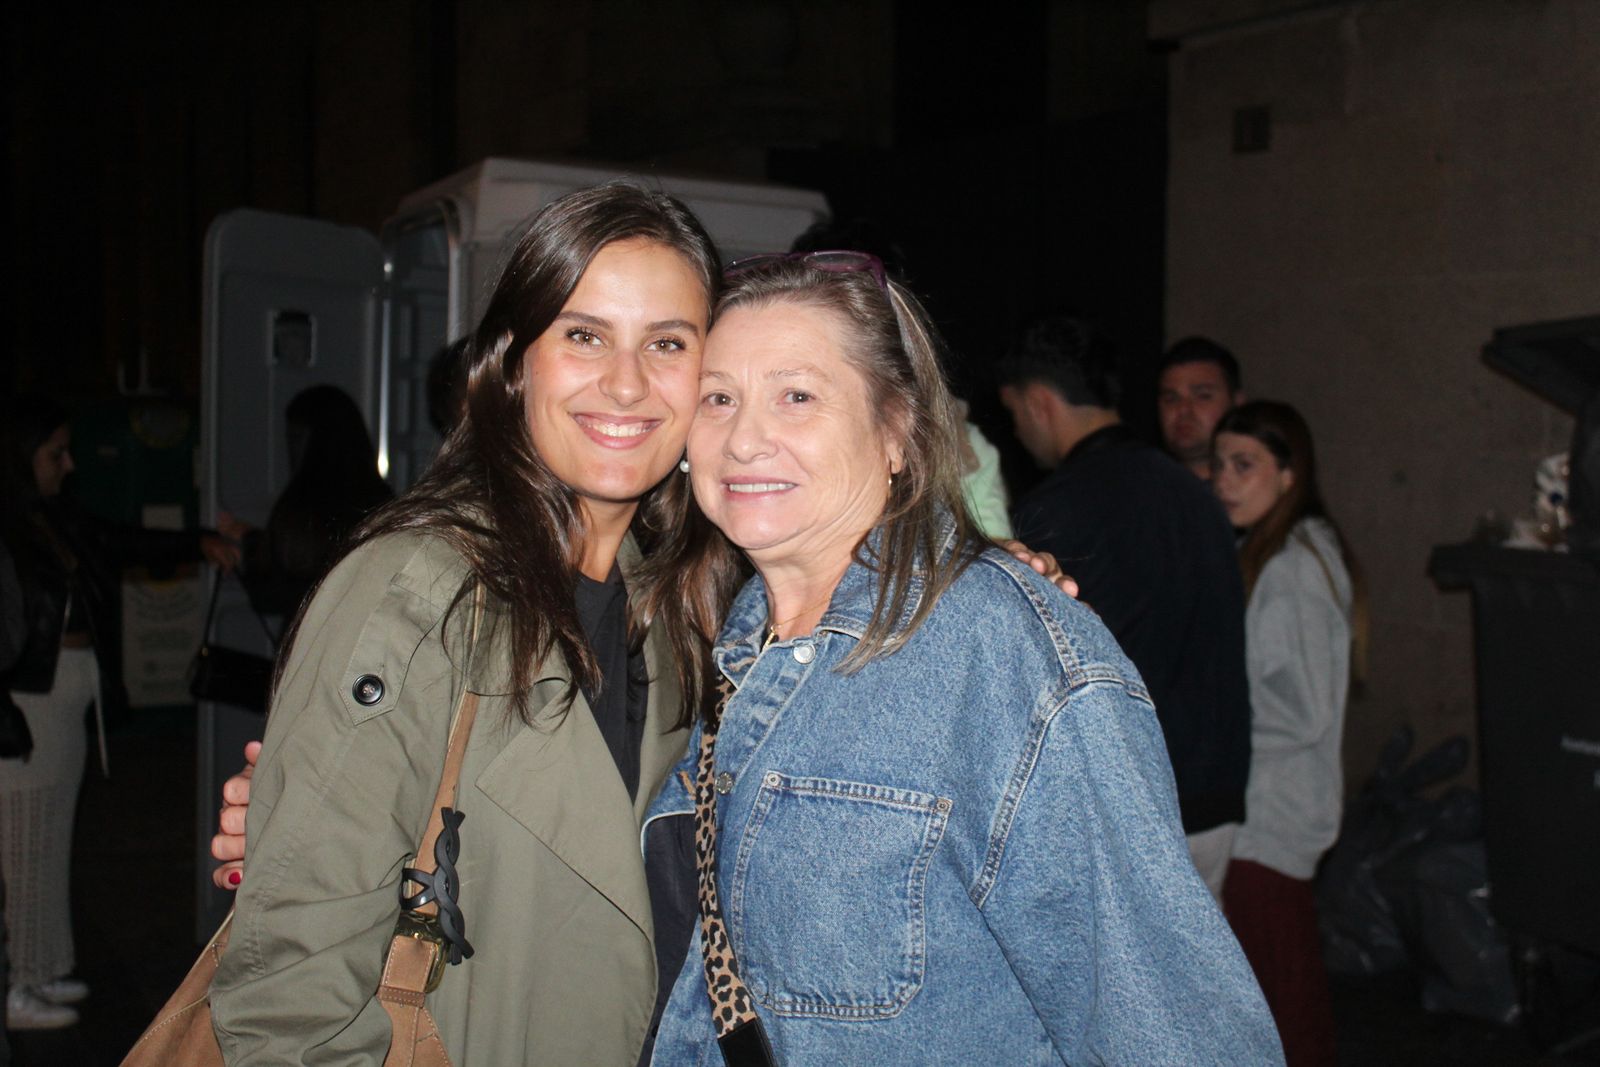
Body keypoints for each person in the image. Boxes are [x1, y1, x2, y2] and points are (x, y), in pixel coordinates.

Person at [202, 188, 1079, 1065]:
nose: (625, 383)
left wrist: (968, 568)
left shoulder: (683, 608)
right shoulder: (418, 591)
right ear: (514, 363)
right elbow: (290, 1004)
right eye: (583, 335)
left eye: (668, 343)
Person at [640, 255, 1282, 1064]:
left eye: (796, 395)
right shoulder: (726, 648)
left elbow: (1178, 1031)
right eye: (718, 397)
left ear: (896, 429)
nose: (744, 437)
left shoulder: (1003, 654)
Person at [996, 317, 1253, 899]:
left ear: (1038, 402)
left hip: (1133, 806)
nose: (1018, 431)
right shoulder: (1199, 495)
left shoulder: (1059, 508)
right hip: (1215, 794)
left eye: (1013, 415)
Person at [0, 397, 235, 1031]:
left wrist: (198, 540)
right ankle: (16, 984)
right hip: (28, 700)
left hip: (68, 690)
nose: (68, 464)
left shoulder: (54, 516)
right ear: (23, 459)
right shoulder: (9, 525)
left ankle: (42, 966)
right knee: (21, 839)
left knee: (52, 835)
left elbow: (119, 540)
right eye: (55, 453)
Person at [1211, 400, 1366, 1067]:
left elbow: (1301, 710)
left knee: (1279, 1004)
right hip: (1270, 813)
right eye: (1219, 464)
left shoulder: (1293, 565)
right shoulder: (1284, 551)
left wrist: (1215, 726)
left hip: (1268, 820)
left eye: (1244, 465)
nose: (1224, 480)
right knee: (1280, 994)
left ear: (1289, 473)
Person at [218, 384, 394, 619]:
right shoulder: (384, 502)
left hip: (312, 649)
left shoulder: (300, 509)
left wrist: (253, 547)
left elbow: (273, 593)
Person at [1157, 335, 1243, 480]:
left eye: (1203, 396)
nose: (1183, 410)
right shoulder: (1141, 488)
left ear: (1236, 403)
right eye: (1171, 399)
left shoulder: (1259, 495)